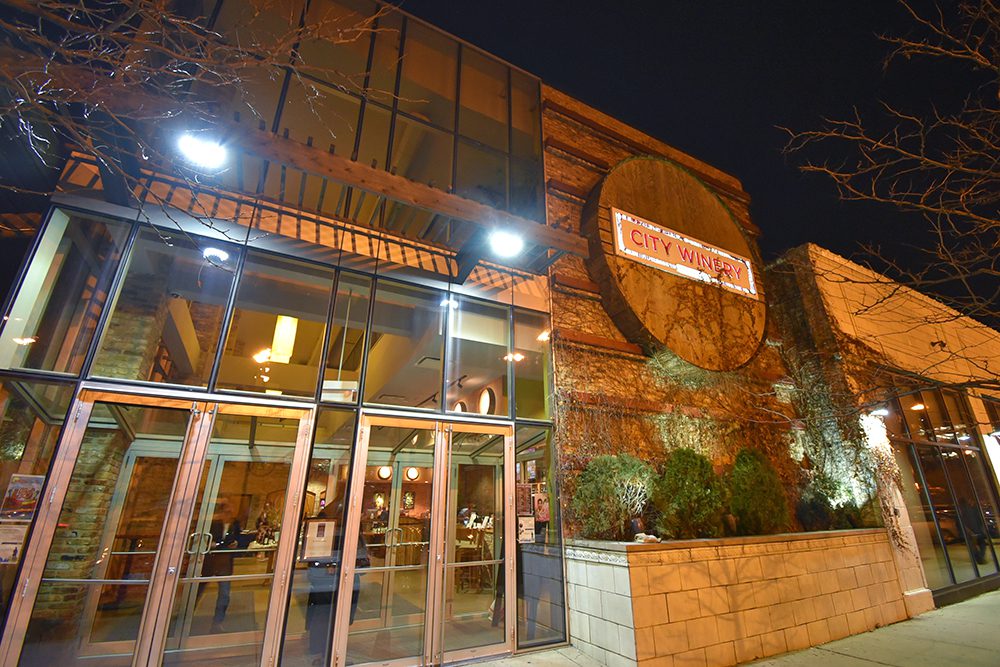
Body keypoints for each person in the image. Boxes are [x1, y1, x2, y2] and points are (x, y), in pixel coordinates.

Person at [199, 498, 242, 633]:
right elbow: (206, 539)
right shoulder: (214, 524)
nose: (229, 514)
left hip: (224, 561)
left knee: (224, 593)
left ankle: (217, 622)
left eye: (231, 511)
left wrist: (236, 544)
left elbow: (238, 538)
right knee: (198, 589)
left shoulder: (235, 524)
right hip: (210, 560)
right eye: (227, 511)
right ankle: (183, 618)